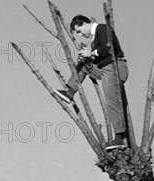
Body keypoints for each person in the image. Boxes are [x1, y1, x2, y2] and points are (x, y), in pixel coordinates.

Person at [54, 15, 129, 150]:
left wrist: (91, 52)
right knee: (84, 64)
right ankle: (70, 92)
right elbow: (99, 56)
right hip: (105, 68)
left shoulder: (102, 28)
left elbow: (108, 48)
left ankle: (119, 138)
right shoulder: (94, 37)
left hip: (115, 67)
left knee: (112, 101)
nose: (80, 35)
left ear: (85, 24)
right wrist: (88, 56)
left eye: (79, 31)